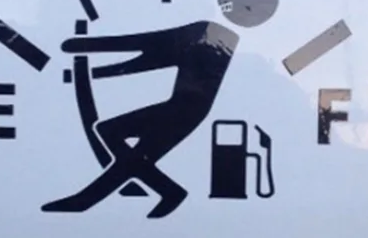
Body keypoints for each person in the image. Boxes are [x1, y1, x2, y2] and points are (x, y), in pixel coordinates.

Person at [42, 20, 239, 218]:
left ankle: (86, 201)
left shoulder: (210, 35)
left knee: (118, 142)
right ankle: (169, 192)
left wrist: (89, 50)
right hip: (182, 110)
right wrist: (91, 65)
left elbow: (144, 49)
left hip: (183, 112)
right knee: (127, 153)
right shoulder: (212, 35)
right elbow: (147, 55)